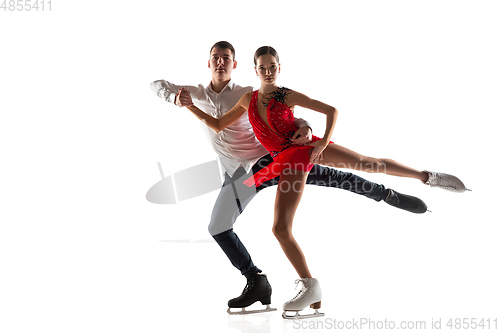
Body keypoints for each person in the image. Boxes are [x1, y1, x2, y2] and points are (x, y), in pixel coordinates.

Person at [151, 41, 430, 316]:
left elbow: (287, 114)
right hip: (240, 175)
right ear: (208, 62)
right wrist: (175, 98)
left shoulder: (248, 93)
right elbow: (156, 84)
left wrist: (306, 128)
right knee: (218, 226)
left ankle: (385, 194)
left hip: (269, 160)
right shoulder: (193, 93)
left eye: (226, 58)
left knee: (330, 175)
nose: (221, 62)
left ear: (236, 65)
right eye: (216, 58)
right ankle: (256, 280)